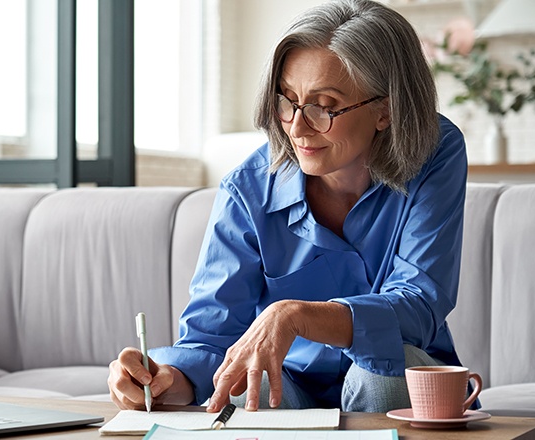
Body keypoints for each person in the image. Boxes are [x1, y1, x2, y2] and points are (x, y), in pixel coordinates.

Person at [108, 0, 470, 414]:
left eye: (323, 106)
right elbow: (211, 337)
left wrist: (296, 315)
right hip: (289, 385)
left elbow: (419, 303)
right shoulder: (248, 189)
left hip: (395, 380)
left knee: (383, 367)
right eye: (287, 101)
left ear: (384, 110)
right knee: (247, 381)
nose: (297, 128)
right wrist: (166, 380)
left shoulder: (434, 151)